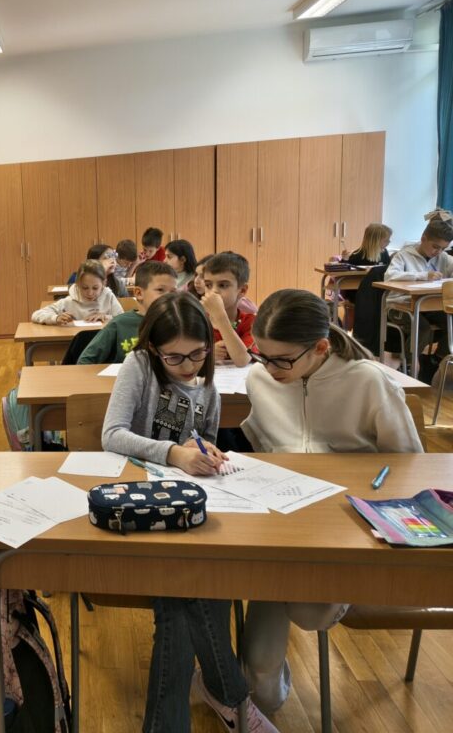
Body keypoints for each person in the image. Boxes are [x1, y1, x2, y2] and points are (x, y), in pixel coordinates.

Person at [101, 292, 278, 733]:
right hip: (138, 513)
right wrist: (173, 453)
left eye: (197, 354)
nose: (187, 366)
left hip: (186, 513)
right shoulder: (139, 367)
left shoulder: (208, 387)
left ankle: (217, 703)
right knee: (195, 588)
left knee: (185, 597)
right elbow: (112, 434)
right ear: (153, 349)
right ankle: (232, 698)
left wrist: (205, 451)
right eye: (174, 357)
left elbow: (201, 439)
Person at [239, 289, 422, 712]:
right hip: (281, 528)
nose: (269, 369)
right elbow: (268, 446)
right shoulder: (260, 379)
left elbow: (411, 464)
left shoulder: (368, 381)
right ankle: (254, 696)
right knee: (259, 673)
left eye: (282, 360)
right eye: (261, 356)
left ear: (321, 347)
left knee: (310, 612)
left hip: (347, 529)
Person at [383, 212, 453, 376]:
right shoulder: (404, 255)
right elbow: (389, 276)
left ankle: (437, 359)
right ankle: (406, 364)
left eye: (443, 248)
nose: (438, 252)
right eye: (435, 247)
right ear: (423, 239)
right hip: (400, 304)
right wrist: (422, 275)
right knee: (422, 329)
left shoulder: (443, 257)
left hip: (428, 306)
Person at [78, 261, 176, 365]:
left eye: (173, 292)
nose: (169, 296)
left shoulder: (178, 323)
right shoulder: (120, 324)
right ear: (138, 293)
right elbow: (85, 361)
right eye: (160, 290)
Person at [201, 252, 255, 367]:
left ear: (242, 290)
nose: (213, 291)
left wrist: (220, 316)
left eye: (223, 285)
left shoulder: (250, 322)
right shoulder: (198, 319)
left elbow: (242, 360)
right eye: (208, 285)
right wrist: (207, 354)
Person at [32, 260, 124, 326]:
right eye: (85, 288)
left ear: (104, 283)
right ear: (78, 284)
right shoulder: (70, 301)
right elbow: (36, 315)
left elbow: (123, 319)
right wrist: (56, 318)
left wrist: (106, 317)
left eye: (95, 288)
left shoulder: (108, 297)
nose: (90, 293)